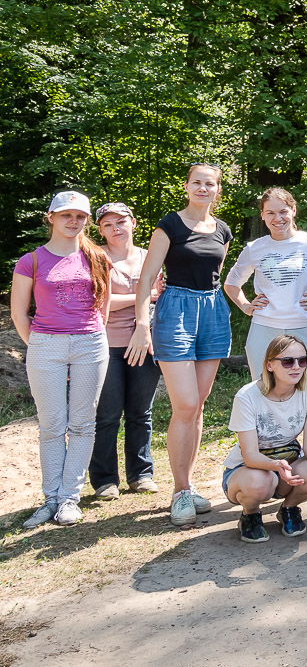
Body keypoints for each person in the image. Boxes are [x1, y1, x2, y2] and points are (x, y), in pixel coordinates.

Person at [223, 187, 307, 497]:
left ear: (293, 210)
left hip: (305, 329)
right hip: (264, 332)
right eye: (270, 213)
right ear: (263, 216)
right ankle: (266, 466)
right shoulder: (255, 248)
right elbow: (231, 283)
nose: (277, 218)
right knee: (264, 399)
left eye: (283, 211)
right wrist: (246, 305)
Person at [130, 163, 234, 525]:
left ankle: (188, 487)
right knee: (185, 403)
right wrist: (142, 324)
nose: (203, 188)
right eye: (197, 182)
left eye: (210, 183)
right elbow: (146, 280)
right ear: (187, 186)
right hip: (175, 309)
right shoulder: (169, 224)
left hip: (213, 311)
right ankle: (179, 491)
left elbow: (217, 274)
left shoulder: (222, 229)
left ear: (218, 190)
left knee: (199, 405)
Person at [11, 191, 111, 528]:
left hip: (90, 344)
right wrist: (42, 347)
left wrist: (87, 341)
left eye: (80, 216)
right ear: (51, 217)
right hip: (45, 346)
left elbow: (104, 307)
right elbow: (19, 312)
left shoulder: (97, 257)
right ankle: (50, 498)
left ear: (86, 221)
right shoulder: (32, 260)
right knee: (51, 425)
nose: (73, 221)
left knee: (82, 423)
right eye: (66, 215)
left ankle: (70, 498)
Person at [222, 334, 307, 542]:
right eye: (288, 361)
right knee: (262, 479)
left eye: (303, 360)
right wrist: (276, 465)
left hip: (287, 468)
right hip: (247, 471)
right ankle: (250, 514)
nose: (296, 367)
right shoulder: (247, 397)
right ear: (270, 365)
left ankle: (289, 509)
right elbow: (250, 455)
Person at [88, 201, 162, 499]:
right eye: (108, 224)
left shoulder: (149, 257)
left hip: (146, 343)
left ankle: (141, 475)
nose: (115, 228)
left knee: (140, 413)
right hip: (108, 345)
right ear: (100, 230)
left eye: (121, 221)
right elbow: (99, 301)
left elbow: (160, 296)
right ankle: (105, 480)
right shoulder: (95, 258)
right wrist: (142, 295)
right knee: (107, 414)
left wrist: (146, 297)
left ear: (133, 223)